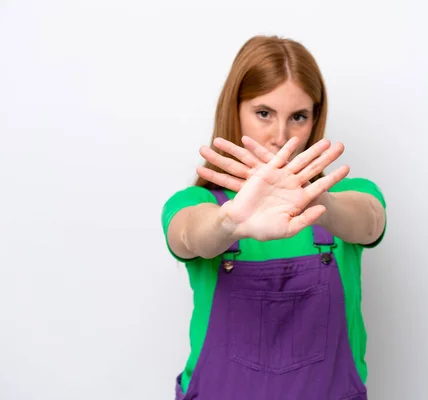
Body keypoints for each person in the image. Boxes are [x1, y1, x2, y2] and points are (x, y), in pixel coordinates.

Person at [161, 35, 387, 400]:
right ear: (234, 109)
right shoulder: (199, 202)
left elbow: (370, 221)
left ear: (316, 120)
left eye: (298, 117)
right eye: (263, 113)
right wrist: (227, 224)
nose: (280, 136)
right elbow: (187, 234)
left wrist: (319, 201)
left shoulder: (343, 197)